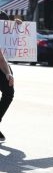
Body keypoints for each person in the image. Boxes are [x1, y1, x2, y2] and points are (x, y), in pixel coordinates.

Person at [0, 10, 15, 141]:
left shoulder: (3, 15)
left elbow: (9, 34)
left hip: (2, 62)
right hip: (1, 61)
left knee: (9, 93)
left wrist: (17, 26)